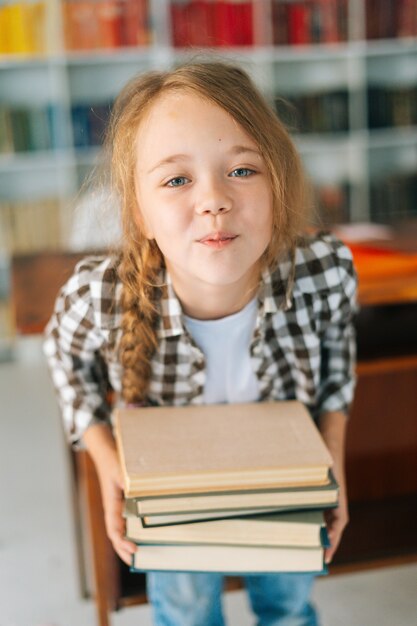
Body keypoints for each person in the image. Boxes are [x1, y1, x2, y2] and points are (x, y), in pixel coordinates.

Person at [44, 60, 357, 626]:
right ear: (140, 212)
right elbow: (64, 358)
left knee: (287, 606)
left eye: (241, 170)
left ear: (278, 182)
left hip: (283, 482)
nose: (213, 199)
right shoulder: (100, 295)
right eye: (177, 179)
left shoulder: (325, 270)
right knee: (186, 612)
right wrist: (108, 461)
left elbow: (338, 358)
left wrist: (332, 455)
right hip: (172, 496)